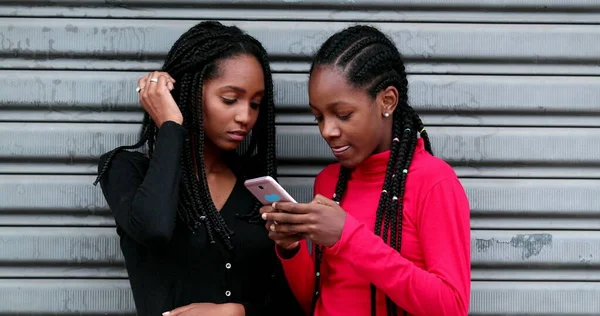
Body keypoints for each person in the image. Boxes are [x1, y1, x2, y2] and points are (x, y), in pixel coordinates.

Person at [94, 21, 302, 316]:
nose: (245, 116)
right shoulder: (126, 170)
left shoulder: (256, 183)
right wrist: (170, 126)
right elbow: (153, 229)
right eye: (230, 99)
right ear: (189, 93)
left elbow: (288, 302)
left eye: (255, 104)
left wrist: (237, 312)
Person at [260, 25, 471, 316]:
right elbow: (316, 300)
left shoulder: (434, 182)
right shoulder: (328, 182)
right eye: (318, 117)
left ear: (387, 100)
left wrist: (347, 235)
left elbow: (451, 307)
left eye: (343, 115)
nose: (328, 130)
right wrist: (291, 248)